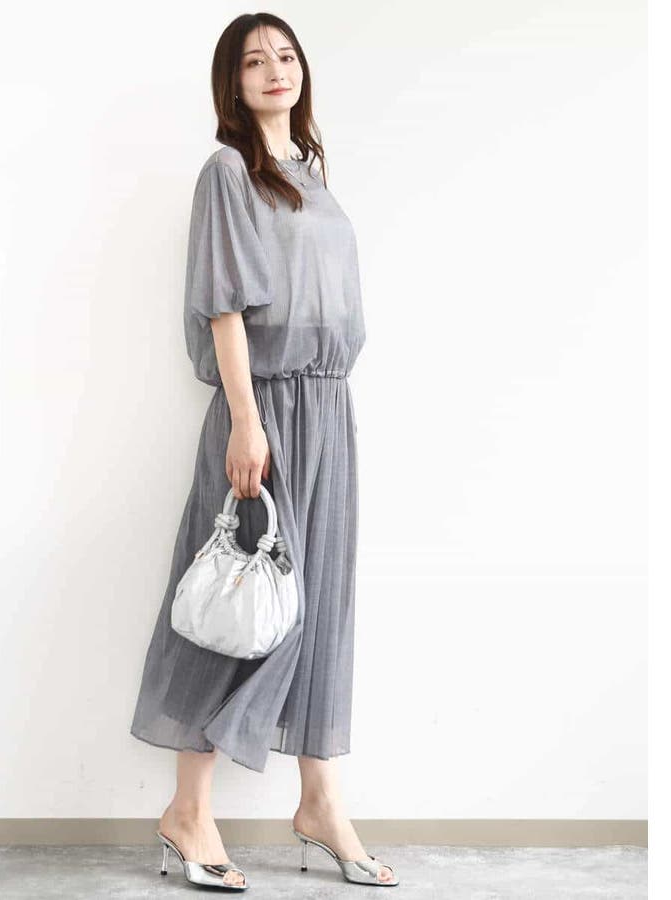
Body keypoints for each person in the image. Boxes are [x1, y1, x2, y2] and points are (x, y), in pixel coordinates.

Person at [129, 12, 398, 890]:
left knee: (315, 609)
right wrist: (247, 421)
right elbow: (224, 307)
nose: (275, 69)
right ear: (233, 83)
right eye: (254, 60)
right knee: (236, 604)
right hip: (268, 408)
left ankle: (320, 803)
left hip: (329, 408)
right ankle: (188, 812)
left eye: (286, 55)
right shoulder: (228, 173)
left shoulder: (311, 177)